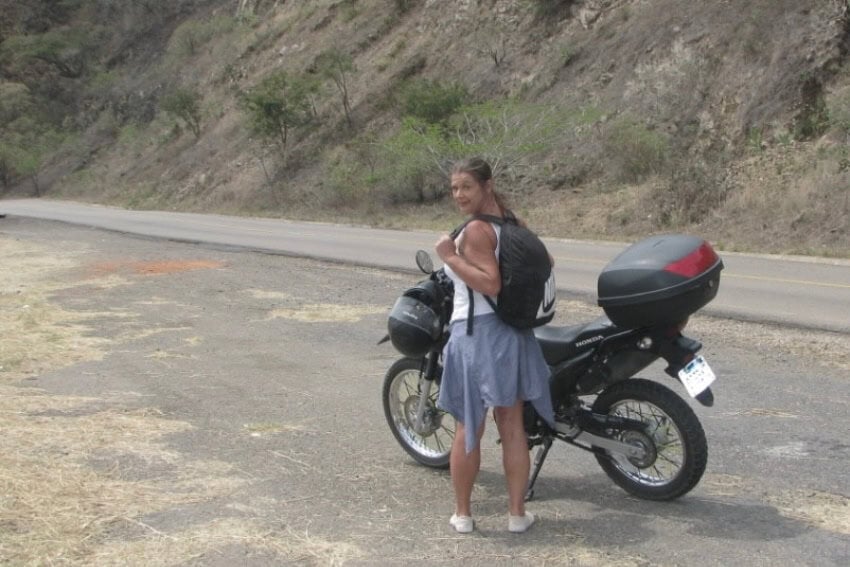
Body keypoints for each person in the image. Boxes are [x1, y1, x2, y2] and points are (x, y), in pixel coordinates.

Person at [434, 157, 554, 534]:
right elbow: (546, 261)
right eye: (454, 188)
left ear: (487, 185)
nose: (459, 195)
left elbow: (490, 284)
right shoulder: (514, 223)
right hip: (513, 333)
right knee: (512, 425)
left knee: (468, 426)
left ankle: (464, 515)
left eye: (466, 187)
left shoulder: (476, 232)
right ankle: (517, 515)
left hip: (477, 334)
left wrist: (450, 256)